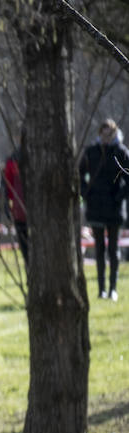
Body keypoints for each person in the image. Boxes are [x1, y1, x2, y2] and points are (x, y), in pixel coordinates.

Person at [79, 119, 129, 300]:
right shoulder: (91, 152)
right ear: (99, 134)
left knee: (113, 250)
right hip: (96, 208)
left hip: (114, 210)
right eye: (103, 134)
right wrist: (86, 193)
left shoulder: (121, 153)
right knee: (99, 249)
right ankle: (101, 289)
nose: (106, 138)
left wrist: (118, 197)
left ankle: (113, 288)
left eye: (110, 134)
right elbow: (80, 175)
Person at [3, 142, 29, 266]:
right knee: (25, 247)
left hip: (29, 211)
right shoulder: (12, 160)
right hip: (19, 210)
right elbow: (8, 186)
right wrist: (7, 206)